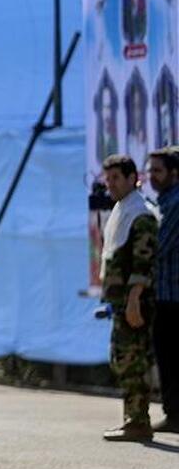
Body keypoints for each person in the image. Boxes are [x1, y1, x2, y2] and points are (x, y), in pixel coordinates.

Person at [99, 154, 159, 442]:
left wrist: (134, 298)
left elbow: (143, 262)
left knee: (133, 359)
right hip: (122, 301)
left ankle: (138, 420)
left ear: (132, 178)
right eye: (107, 179)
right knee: (122, 359)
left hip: (135, 301)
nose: (110, 184)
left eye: (115, 178)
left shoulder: (141, 213)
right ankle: (132, 417)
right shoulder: (123, 209)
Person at [147, 148, 179, 433]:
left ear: (174, 173)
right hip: (165, 294)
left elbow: (158, 247)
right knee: (167, 358)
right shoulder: (164, 202)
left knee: (170, 358)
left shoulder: (176, 203)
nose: (151, 176)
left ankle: (174, 414)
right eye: (150, 171)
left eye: (157, 171)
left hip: (173, 297)